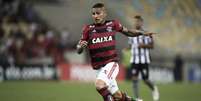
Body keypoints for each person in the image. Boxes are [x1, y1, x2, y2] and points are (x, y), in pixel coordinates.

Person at [76, 3, 153, 101]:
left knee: (99, 85)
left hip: (111, 63)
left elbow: (128, 32)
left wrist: (142, 33)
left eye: (98, 13)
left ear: (104, 13)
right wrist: (81, 47)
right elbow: (79, 48)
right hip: (98, 68)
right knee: (118, 96)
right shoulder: (88, 29)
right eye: (93, 14)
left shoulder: (113, 24)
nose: (95, 16)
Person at [127, 15, 159, 101]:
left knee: (145, 80)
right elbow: (130, 45)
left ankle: (154, 88)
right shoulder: (130, 33)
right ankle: (137, 98)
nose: (136, 23)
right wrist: (127, 49)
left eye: (137, 21)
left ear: (141, 22)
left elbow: (152, 46)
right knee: (134, 79)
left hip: (144, 60)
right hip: (134, 60)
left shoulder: (147, 33)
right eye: (135, 21)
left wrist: (143, 45)